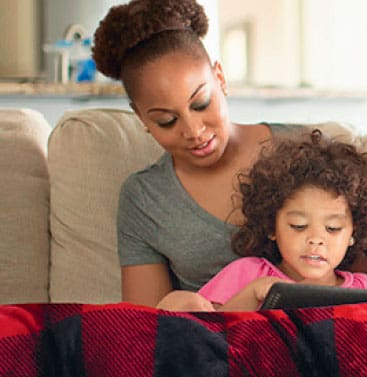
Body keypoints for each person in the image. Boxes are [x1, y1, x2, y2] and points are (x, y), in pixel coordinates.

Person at [92, 0, 297, 310]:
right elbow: (148, 328)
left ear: (220, 78)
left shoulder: (300, 148)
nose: (193, 131)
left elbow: (363, 283)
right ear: (141, 118)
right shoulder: (145, 198)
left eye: (200, 103)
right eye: (166, 121)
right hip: (214, 348)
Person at [159, 131, 367, 311]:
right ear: (272, 226)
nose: (316, 239)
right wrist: (256, 292)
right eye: (298, 226)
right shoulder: (246, 273)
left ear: (353, 234)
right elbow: (209, 333)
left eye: (333, 228)